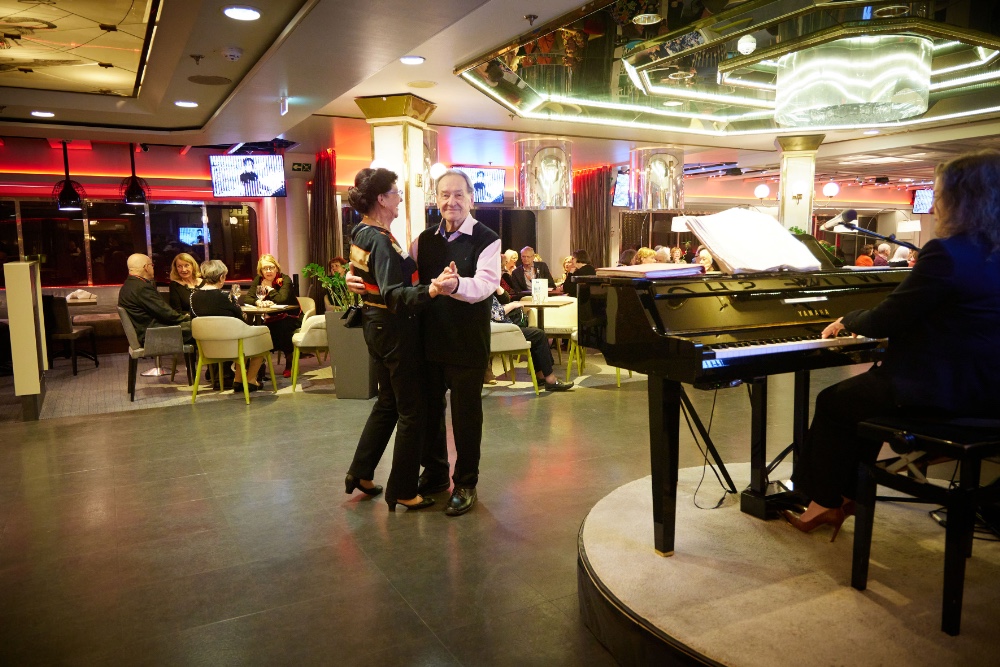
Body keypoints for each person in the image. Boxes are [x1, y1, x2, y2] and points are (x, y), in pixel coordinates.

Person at [783, 150, 1000, 541]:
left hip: (941, 391)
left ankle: (824, 500)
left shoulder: (947, 253)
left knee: (834, 402)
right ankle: (848, 492)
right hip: (989, 392)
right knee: (861, 400)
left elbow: (886, 318)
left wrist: (848, 320)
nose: (935, 204)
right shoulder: (990, 253)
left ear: (960, 200)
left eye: (939, 194)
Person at [344, 168, 458, 511]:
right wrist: (433, 290)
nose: (400, 198)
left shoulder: (363, 232)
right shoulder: (380, 239)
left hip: (377, 326)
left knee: (388, 403)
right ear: (381, 199)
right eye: (396, 192)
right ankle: (404, 489)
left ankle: (361, 472)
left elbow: (367, 277)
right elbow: (394, 295)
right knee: (412, 410)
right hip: (394, 329)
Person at [413, 169, 501, 516]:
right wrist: (360, 275)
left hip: (467, 343)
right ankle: (435, 472)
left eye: (459, 194)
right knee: (429, 413)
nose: (451, 201)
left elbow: (486, 284)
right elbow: (403, 275)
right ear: (436, 199)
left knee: (466, 418)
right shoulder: (423, 240)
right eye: (445, 195)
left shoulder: (487, 238)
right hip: (430, 340)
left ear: (471, 199)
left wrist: (455, 285)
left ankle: (466, 482)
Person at [189, 260, 265, 393]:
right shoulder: (226, 297)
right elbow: (241, 319)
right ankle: (250, 380)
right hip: (231, 347)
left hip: (206, 347)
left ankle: (238, 381)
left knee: (242, 340)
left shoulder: (192, 297)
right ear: (221, 277)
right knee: (260, 340)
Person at [492, 287, 572, 391]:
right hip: (501, 331)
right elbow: (497, 314)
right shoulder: (483, 292)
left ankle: (541, 376)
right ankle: (550, 380)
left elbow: (505, 299)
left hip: (505, 329)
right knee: (539, 335)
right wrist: (513, 305)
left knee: (536, 336)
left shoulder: (487, 289)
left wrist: (496, 286)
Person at [118, 253, 191, 344]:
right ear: (146, 267)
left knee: (198, 326)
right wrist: (187, 318)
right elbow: (166, 313)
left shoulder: (129, 284)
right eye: (152, 265)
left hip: (148, 331)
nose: (153, 268)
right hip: (154, 334)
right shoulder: (141, 287)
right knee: (200, 327)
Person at [249, 254, 300, 378]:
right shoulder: (258, 280)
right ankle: (260, 366)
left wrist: (270, 289)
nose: (268, 271)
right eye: (265, 268)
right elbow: (248, 297)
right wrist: (258, 302)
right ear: (260, 271)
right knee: (256, 329)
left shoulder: (285, 279)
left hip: (290, 316)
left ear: (276, 268)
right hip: (270, 317)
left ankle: (290, 364)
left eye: (271, 267)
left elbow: (282, 299)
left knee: (283, 328)